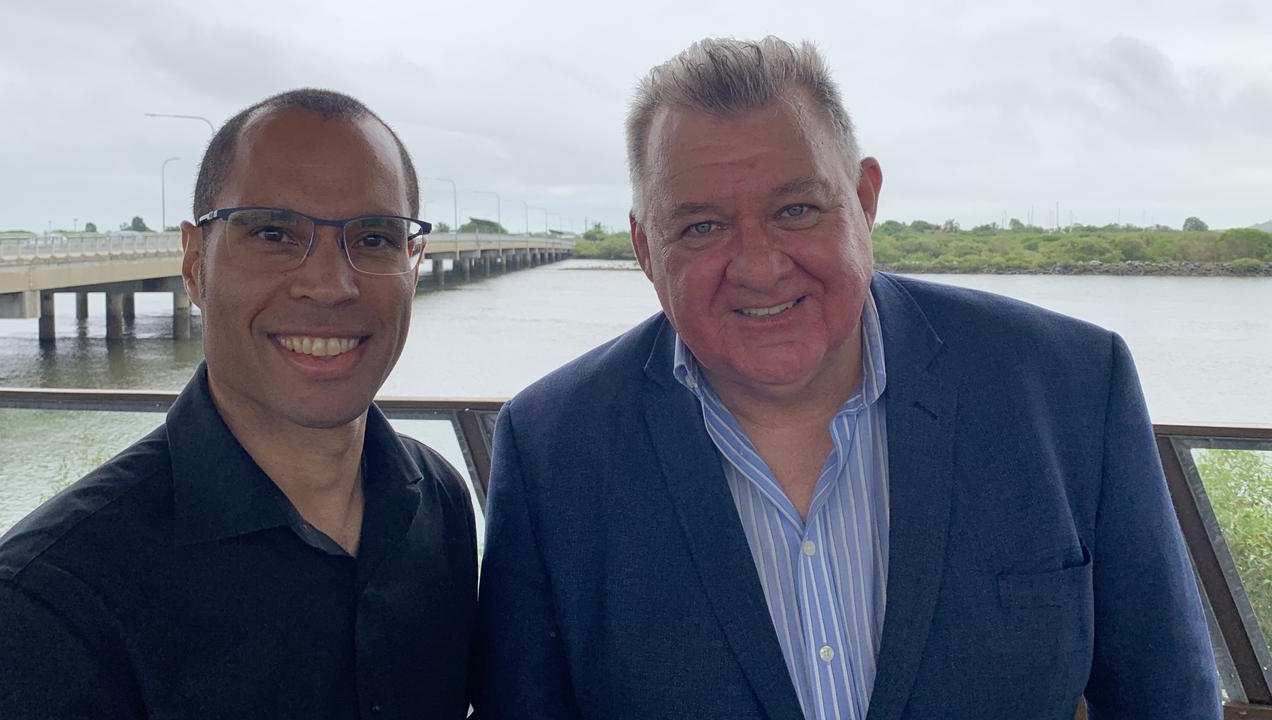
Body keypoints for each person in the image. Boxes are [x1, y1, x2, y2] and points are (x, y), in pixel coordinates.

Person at [473, 38, 1220, 719]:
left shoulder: (1071, 390)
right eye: (701, 226)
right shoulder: (552, 450)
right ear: (643, 245)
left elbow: (1169, 699)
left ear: (864, 201)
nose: (759, 265)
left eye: (796, 209)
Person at [0, 89, 478, 719]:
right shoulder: (51, 603)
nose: (329, 285)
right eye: (274, 232)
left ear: (414, 265)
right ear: (195, 263)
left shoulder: (440, 503)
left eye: (376, 237)